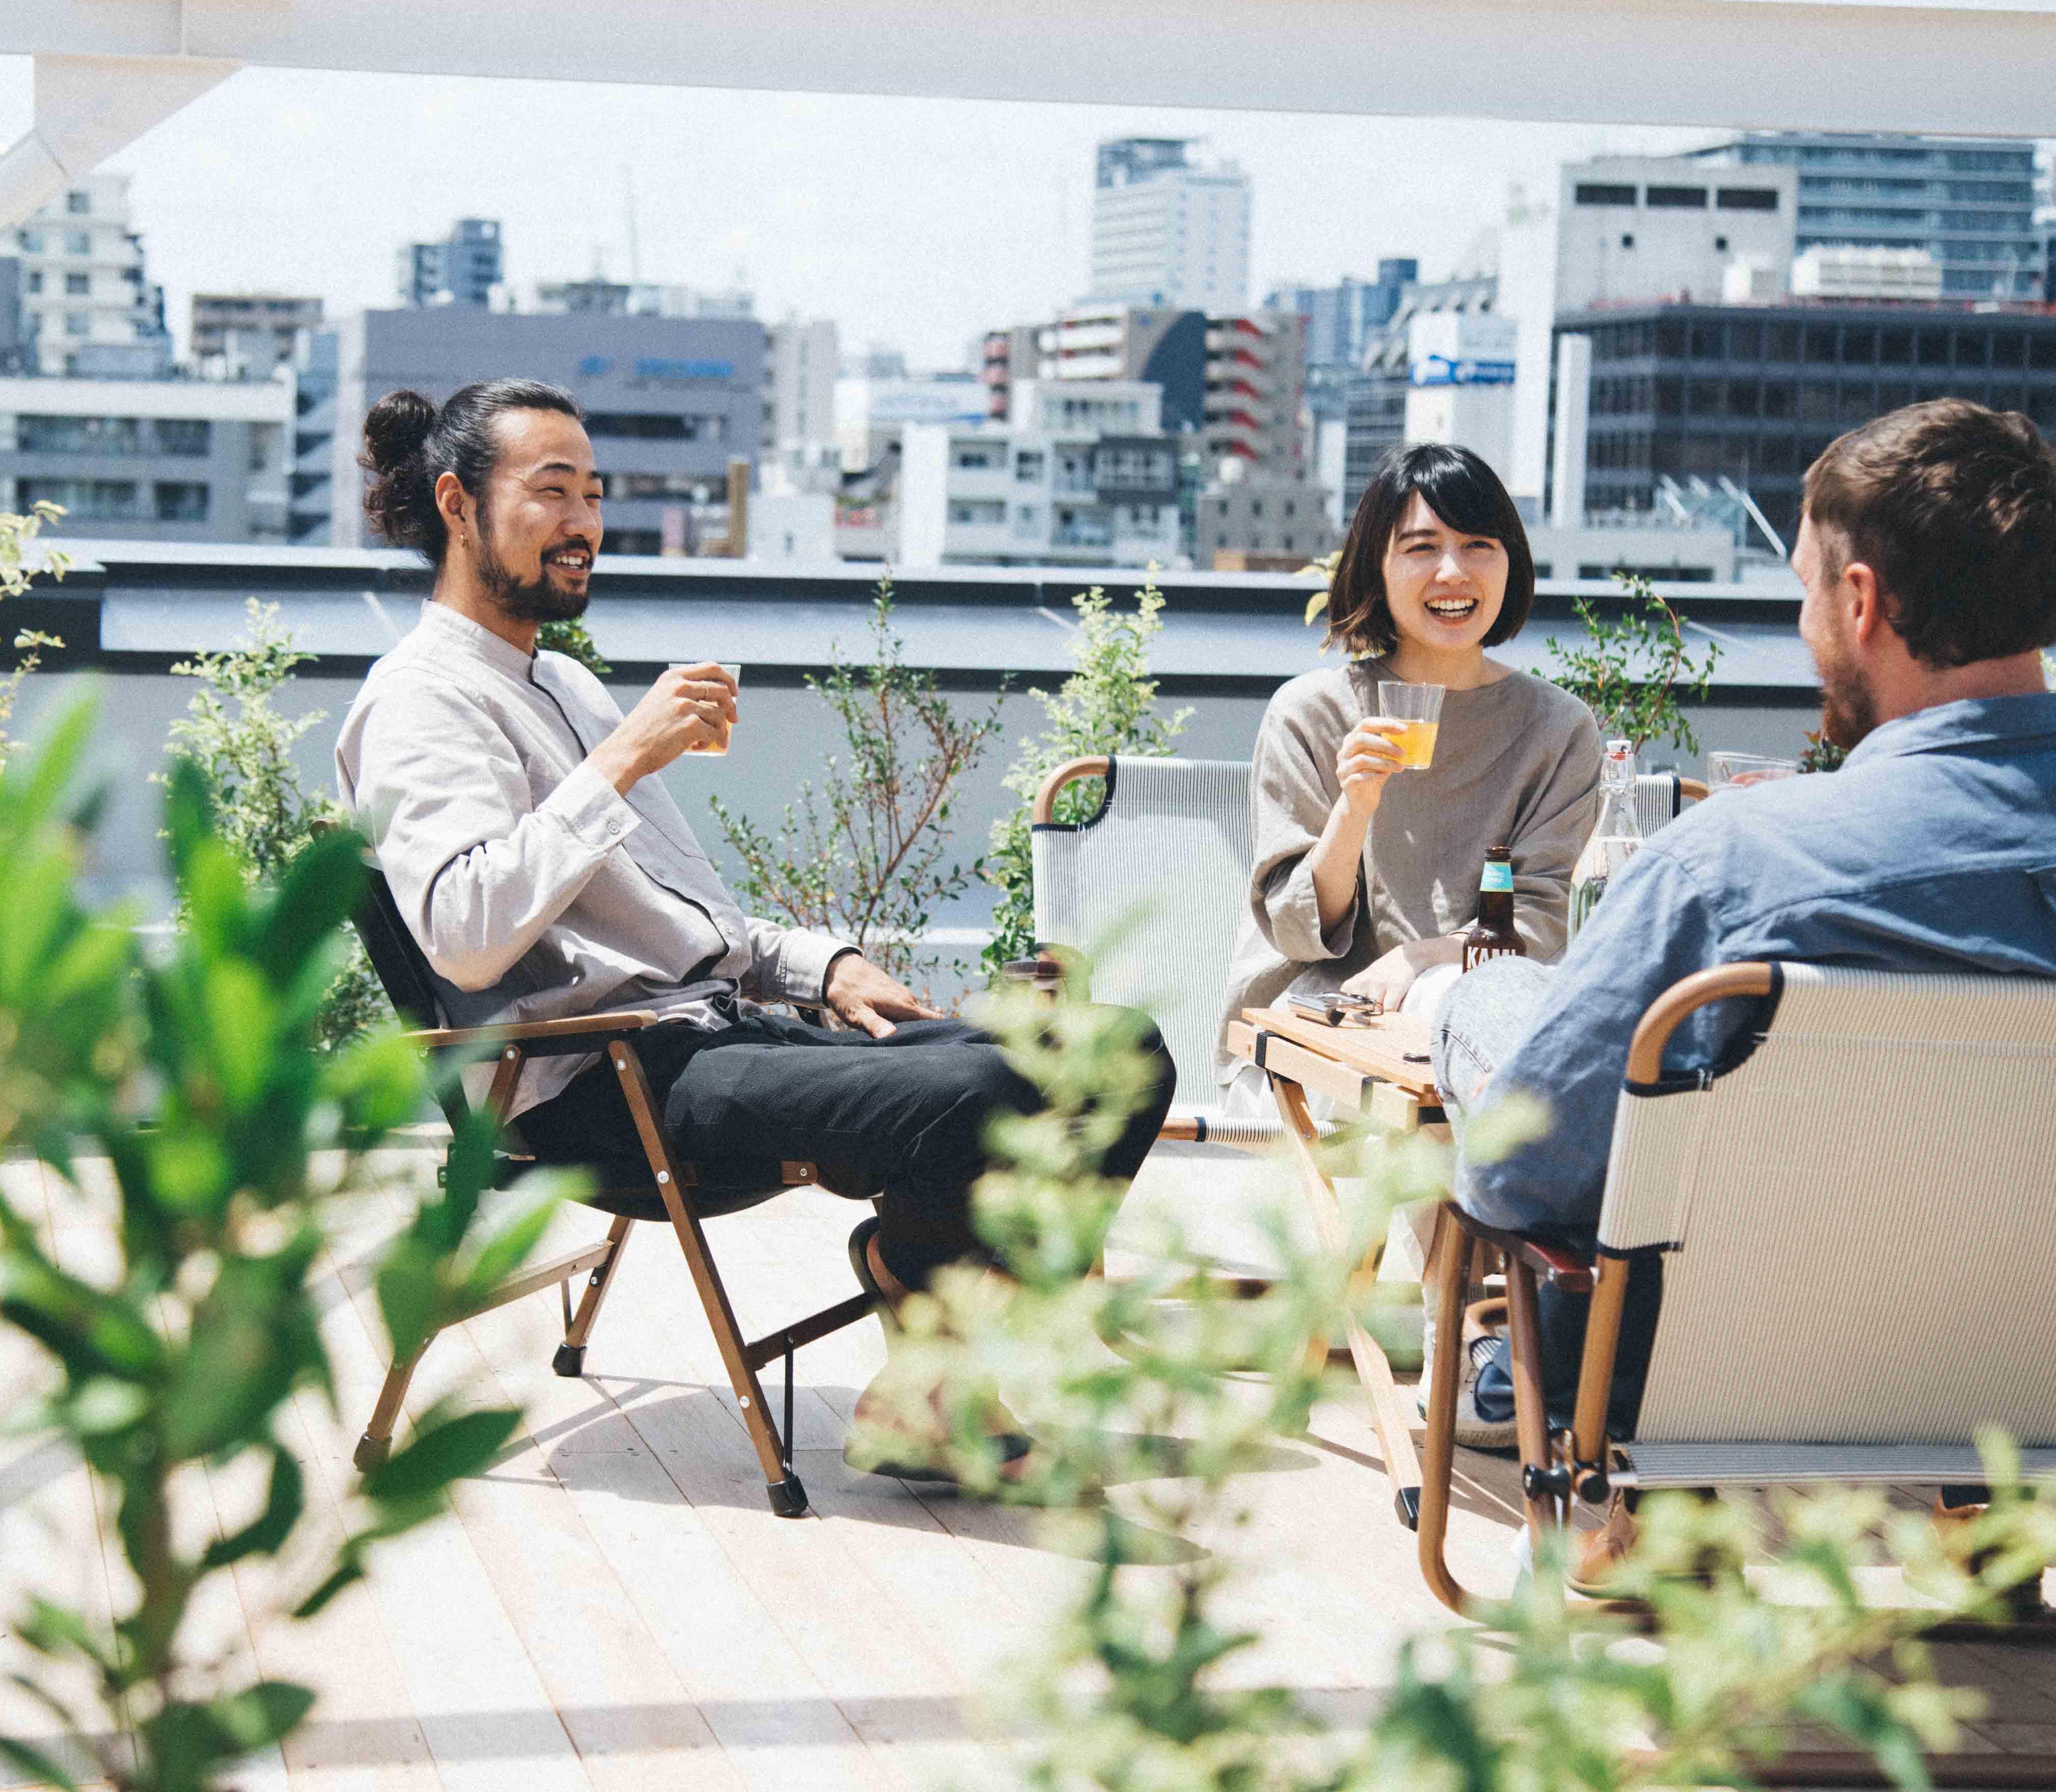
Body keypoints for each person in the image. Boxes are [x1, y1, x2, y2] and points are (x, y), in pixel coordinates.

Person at [333, 378, 1174, 1476]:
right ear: (457, 504)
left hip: (713, 1037)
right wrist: (621, 760)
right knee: (985, 1092)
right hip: (604, 1082)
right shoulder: (421, 702)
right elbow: (464, 934)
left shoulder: (567, 685)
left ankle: (928, 1321)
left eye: (594, 494)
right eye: (553, 493)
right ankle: (937, 1316)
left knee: (1119, 1053)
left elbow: (690, 921)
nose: (586, 523)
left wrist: (828, 965)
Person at [1434, 398, 2056, 1535]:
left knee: (1493, 1013)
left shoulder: (1736, 868)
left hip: (1754, 1384)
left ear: (1861, 602)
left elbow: (1522, 1176)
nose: (1807, 622)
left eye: (1808, 588)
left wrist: (1464, 1003)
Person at [1221, 443, 1603, 1117]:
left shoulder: (1557, 730)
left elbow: (1541, 927)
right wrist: (1356, 805)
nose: (1453, 572)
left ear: (1511, 563)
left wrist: (1421, 960)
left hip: (1482, 1029)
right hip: (1320, 1037)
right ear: (1378, 565)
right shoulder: (1312, 713)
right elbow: (1295, 933)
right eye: (1422, 547)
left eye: (1479, 544)